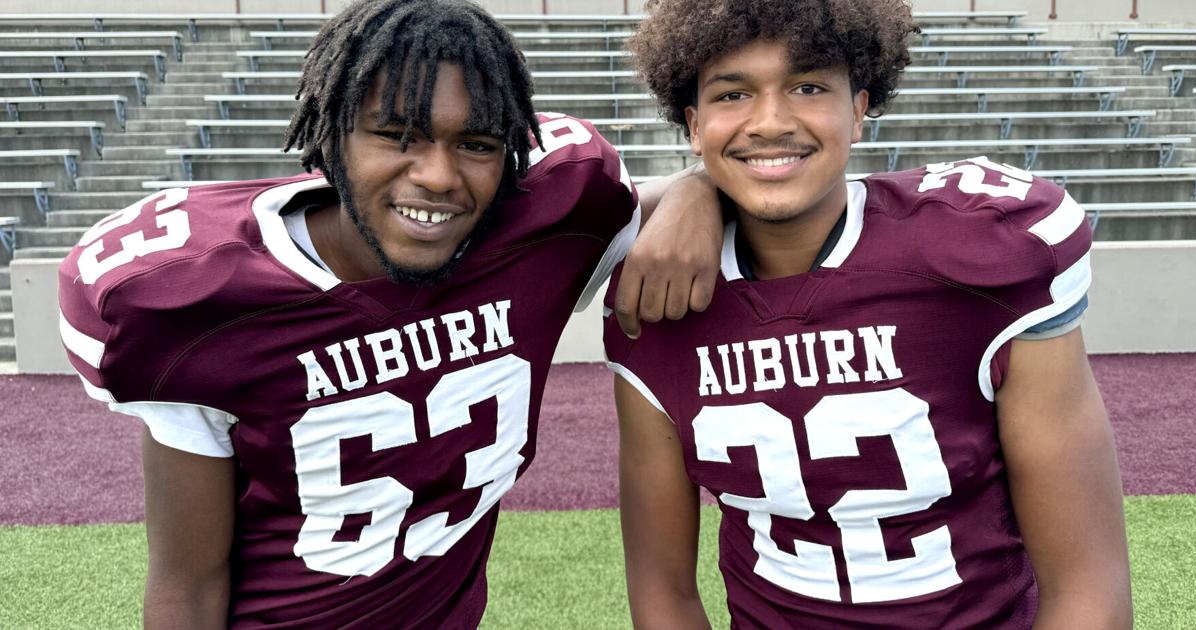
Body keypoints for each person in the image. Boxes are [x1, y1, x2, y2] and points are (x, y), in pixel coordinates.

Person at [57, 0, 720, 626]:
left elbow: (670, 202)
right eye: (395, 134)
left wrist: (697, 189)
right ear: (331, 134)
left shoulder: (544, 233)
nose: (436, 175)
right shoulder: (194, 300)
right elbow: (189, 582)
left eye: (477, 144)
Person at [603, 1, 1133, 628]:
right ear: (694, 125)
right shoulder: (658, 297)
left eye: (807, 87)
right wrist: (694, 187)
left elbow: (1087, 588)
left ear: (858, 110)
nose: (770, 121)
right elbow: (664, 594)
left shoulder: (983, 255)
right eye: (732, 94)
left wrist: (699, 185)